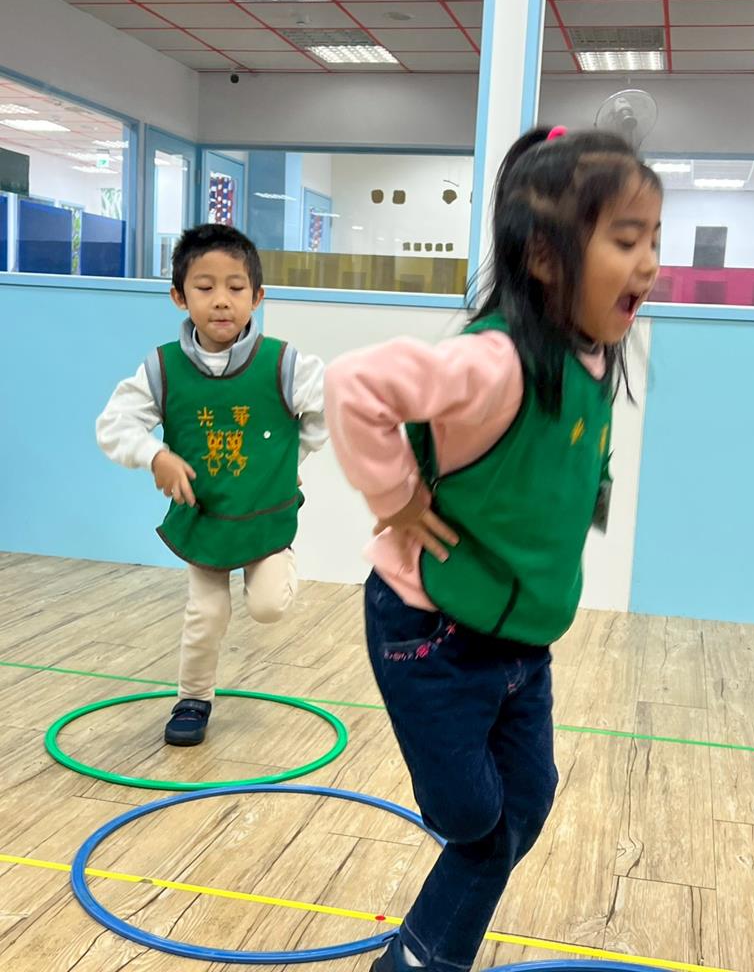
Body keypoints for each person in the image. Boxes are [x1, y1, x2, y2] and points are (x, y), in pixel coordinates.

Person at [324, 127, 661, 972]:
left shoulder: (590, 358)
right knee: (473, 821)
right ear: (544, 257)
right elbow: (353, 384)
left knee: (528, 802)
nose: (650, 262)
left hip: (519, 644)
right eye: (626, 240)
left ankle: (417, 957)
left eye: (654, 238)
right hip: (431, 632)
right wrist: (396, 497)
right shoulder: (494, 361)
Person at [97, 223, 326, 745]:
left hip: (264, 514)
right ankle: (193, 699)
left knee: (267, 607)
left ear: (257, 297)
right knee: (207, 612)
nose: (221, 300)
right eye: (204, 287)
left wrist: (290, 461)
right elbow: (114, 425)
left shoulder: (286, 363)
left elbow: (326, 411)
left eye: (236, 287)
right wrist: (155, 455)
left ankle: (283, 555)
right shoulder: (162, 368)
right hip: (204, 518)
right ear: (179, 297)